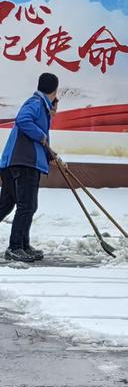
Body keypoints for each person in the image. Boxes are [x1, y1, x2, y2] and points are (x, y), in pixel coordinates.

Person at [0, 73, 59, 262]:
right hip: (23, 163)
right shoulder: (36, 103)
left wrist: (50, 155)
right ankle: (16, 247)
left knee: (7, 205)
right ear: (54, 91)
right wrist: (42, 135)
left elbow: (37, 140)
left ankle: (23, 245)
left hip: (14, 162)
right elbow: (23, 120)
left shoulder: (39, 105)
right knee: (27, 206)